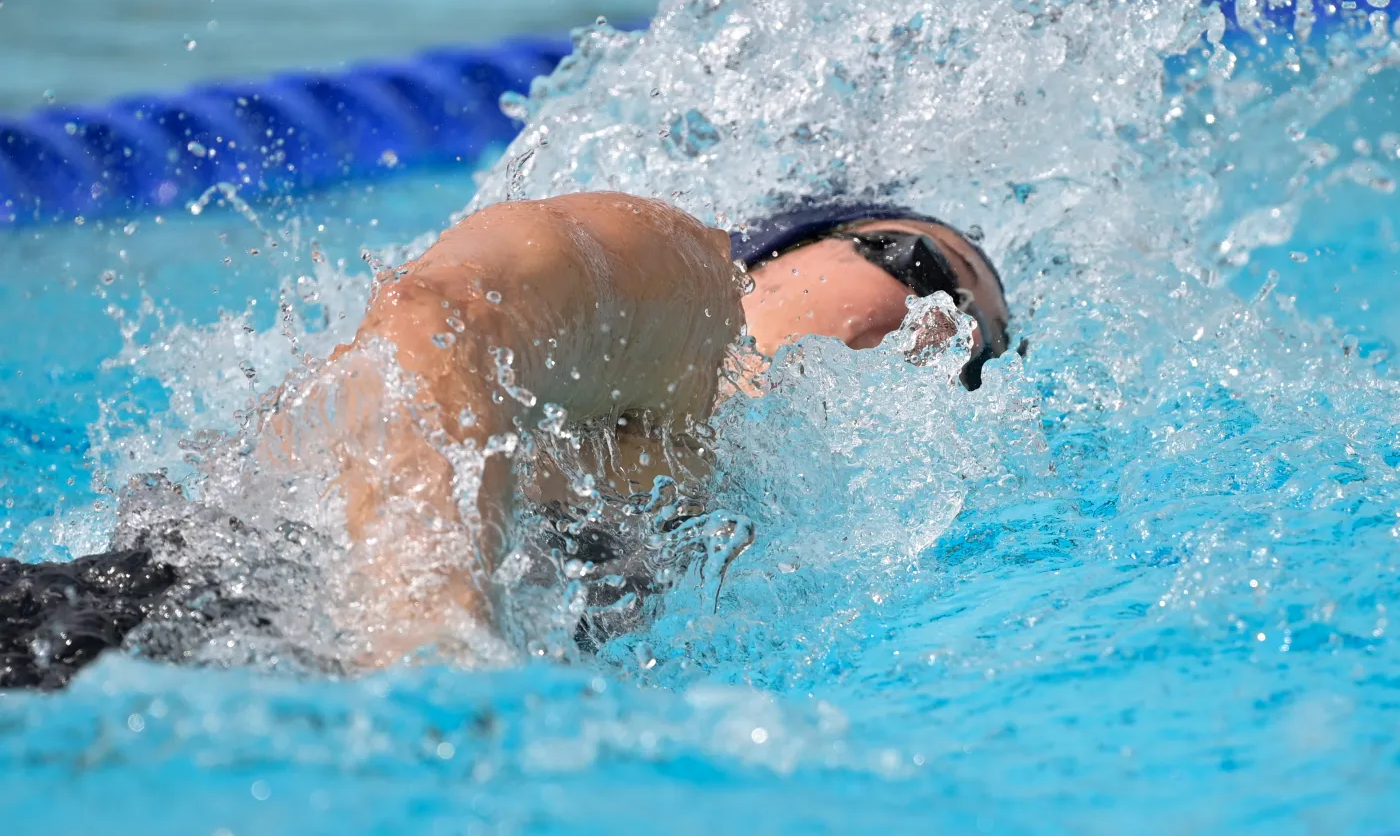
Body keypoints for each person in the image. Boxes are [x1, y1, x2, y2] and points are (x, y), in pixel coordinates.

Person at [1, 192, 1010, 687]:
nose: (940, 329)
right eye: (915, 263)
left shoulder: (740, 497)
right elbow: (441, 317)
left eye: (979, 352)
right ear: (774, 255)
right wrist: (430, 648)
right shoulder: (676, 288)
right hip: (149, 626)